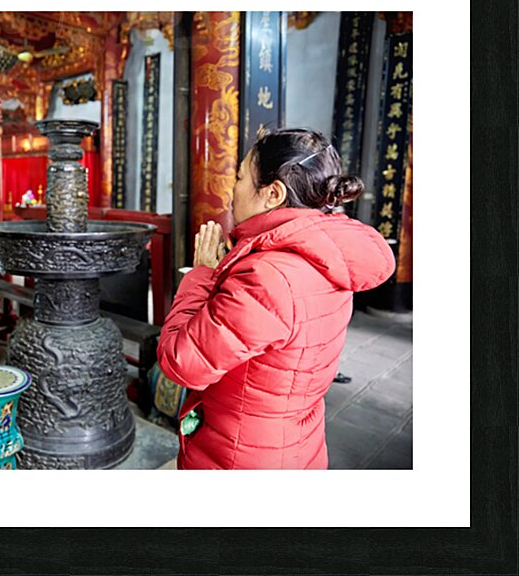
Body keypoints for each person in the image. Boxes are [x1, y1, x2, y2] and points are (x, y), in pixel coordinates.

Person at [157, 129, 395, 469]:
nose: (232, 189)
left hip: (241, 455)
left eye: (240, 177)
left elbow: (181, 363)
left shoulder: (267, 276)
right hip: (296, 442)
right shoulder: (328, 253)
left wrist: (201, 277)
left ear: (272, 193)